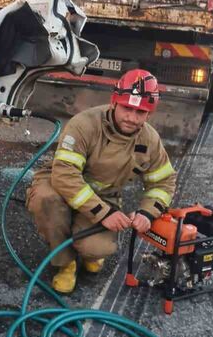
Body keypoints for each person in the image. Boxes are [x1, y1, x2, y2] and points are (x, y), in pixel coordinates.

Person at [26, 69, 177, 293]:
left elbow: (163, 182)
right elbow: (65, 175)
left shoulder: (150, 139)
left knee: (97, 248)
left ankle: (86, 249)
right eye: (127, 108)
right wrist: (104, 213)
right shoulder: (84, 124)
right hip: (59, 186)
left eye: (140, 112)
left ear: (149, 114)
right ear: (114, 101)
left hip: (103, 197)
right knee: (46, 201)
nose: (131, 117)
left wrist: (147, 213)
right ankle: (65, 263)